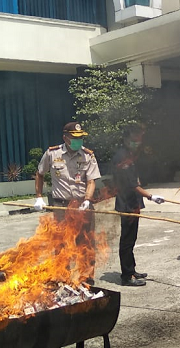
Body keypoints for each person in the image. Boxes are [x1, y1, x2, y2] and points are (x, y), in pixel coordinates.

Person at [112, 125, 165, 287]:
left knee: (132, 239)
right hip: (126, 203)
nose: (138, 143)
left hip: (133, 202)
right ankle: (127, 276)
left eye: (139, 140)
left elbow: (136, 179)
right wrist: (150, 196)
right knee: (127, 241)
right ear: (126, 139)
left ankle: (132, 269)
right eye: (135, 140)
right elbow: (131, 184)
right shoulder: (121, 156)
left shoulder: (129, 154)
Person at [34, 122, 100, 221]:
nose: (78, 141)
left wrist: (87, 200)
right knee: (62, 235)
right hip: (61, 207)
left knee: (85, 236)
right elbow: (40, 174)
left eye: (80, 138)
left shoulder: (88, 156)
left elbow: (91, 181)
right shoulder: (52, 154)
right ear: (65, 138)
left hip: (81, 206)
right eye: (75, 138)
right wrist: (39, 197)